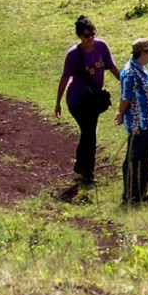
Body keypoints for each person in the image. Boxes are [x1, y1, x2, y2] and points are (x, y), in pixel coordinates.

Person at [55, 16, 120, 186]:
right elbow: (65, 78)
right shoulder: (73, 55)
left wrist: (125, 84)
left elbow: (112, 68)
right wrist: (58, 103)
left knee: (88, 132)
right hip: (77, 100)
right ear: (79, 36)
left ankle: (81, 165)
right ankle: (87, 171)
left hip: (94, 100)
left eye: (92, 34)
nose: (90, 38)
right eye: (86, 35)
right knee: (89, 132)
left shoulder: (101, 46)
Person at [116, 37, 148, 205]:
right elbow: (125, 98)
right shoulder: (130, 73)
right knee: (134, 159)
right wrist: (120, 114)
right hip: (137, 123)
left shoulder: (142, 69)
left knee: (145, 157)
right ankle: (130, 195)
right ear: (143, 53)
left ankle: (141, 193)